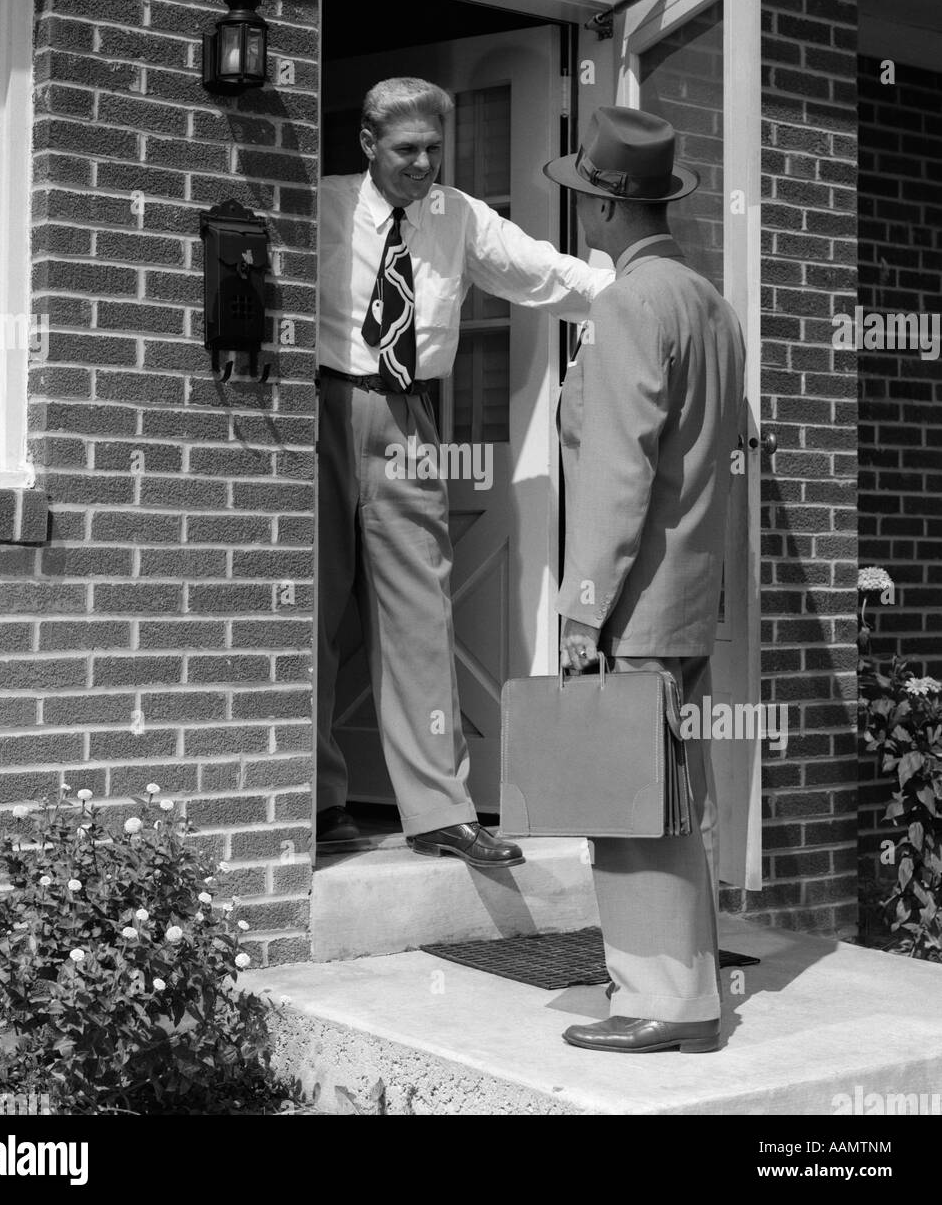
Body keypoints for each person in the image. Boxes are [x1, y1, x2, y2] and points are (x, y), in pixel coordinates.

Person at [316, 77, 612, 869]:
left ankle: (439, 812)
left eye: (433, 149)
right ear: (368, 144)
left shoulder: (458, 216)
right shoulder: (322, 204)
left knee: (420, 608)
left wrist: (637, 295)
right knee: (311, 605)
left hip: (408, 413)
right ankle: (315, 796)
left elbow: (545, 274)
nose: (422, 163)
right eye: (406, 149)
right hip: (318, 403)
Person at [544, 105, 745, 1052]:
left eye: (585, 196)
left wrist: (583, 608)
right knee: (672, 798)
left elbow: (621, 467)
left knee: (631, 808)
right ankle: (680, 981)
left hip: (634, 603)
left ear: (606, 207)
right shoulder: (708, 301)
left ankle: (664, 1003)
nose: (580, 211)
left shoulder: (629, 302)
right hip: (686, 597)